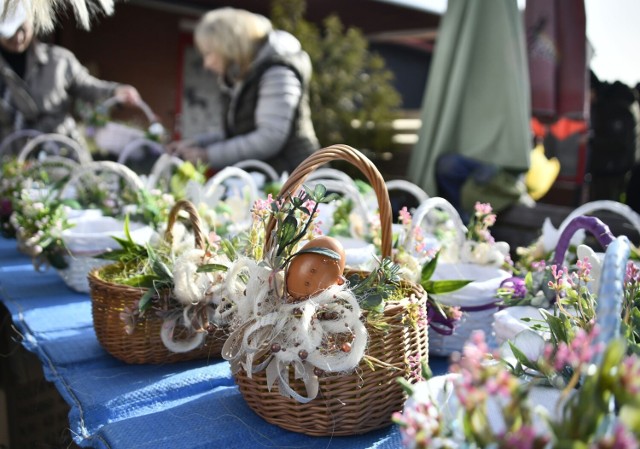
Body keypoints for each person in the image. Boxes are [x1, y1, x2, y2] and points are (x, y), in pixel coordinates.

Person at [167, 7, 319, 175]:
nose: (206, 63)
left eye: (209, 53)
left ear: (229, 45)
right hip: (270, 176)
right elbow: (237, 133)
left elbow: (269, 137)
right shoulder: (245, 76)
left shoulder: (278, 71)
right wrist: (195, 144)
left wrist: (206, 155)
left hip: (297, 178)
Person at [0, 0, 141, 146]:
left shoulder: (58, 61)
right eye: (10, 33)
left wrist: (115, 92)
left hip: (62, 148)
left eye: (22, 29)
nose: (18, 38)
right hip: (14, 157)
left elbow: (88, 86)